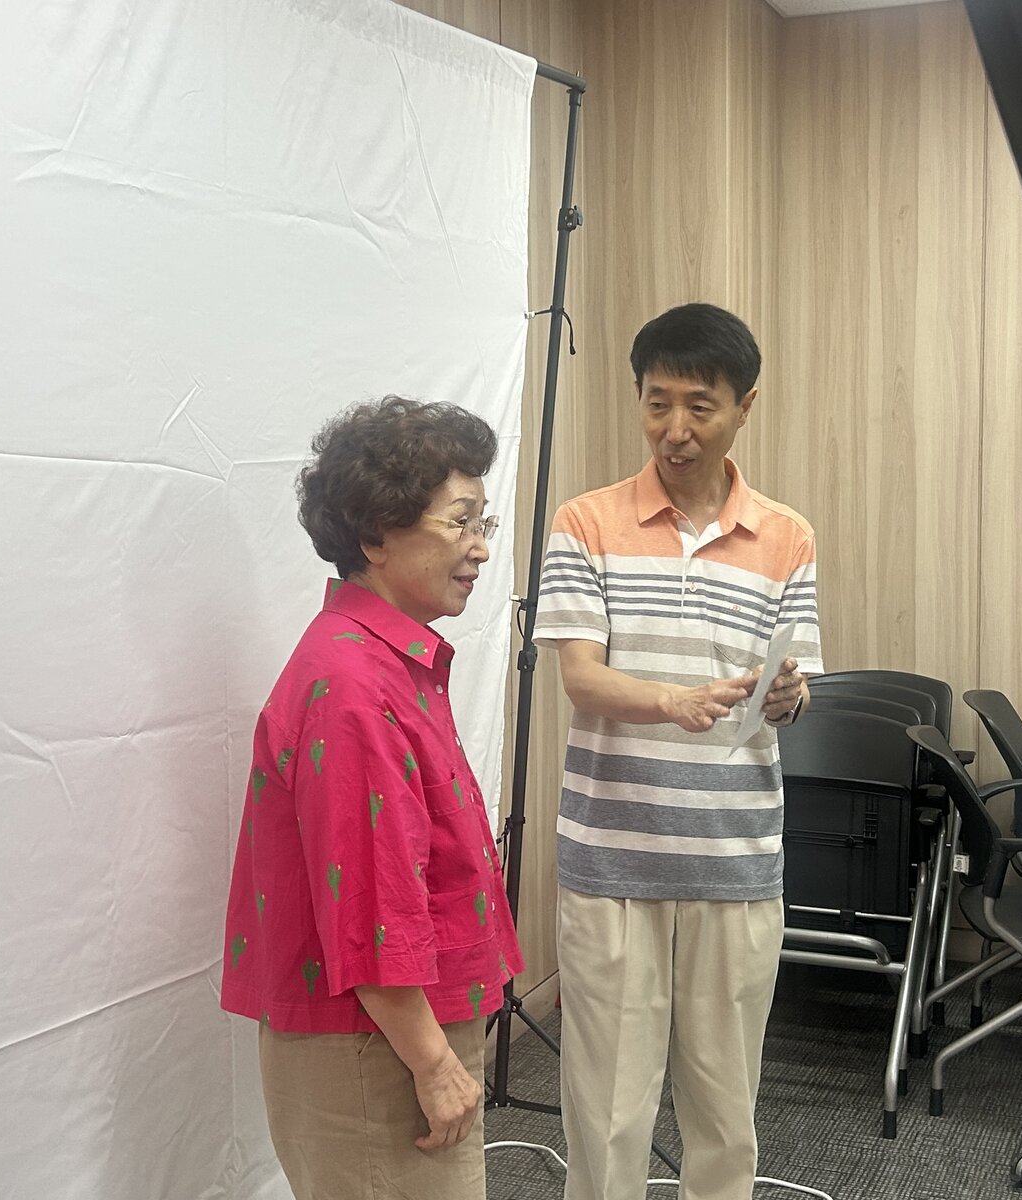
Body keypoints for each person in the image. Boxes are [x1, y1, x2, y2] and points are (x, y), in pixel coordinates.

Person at [532, 303, 824, 1200]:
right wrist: (675, 701)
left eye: (700, 406)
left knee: (726, 1112)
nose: (676, 429)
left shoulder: (787, 536)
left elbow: (794, 681)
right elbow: (581, 678)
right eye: (657, 403)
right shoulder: (586, 522)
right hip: (612, 861)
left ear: (745, 408)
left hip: (735, 860)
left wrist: (789, 695)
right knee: (608, 1112)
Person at [220, 395, 524, 1200]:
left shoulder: (378, 662)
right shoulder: (354, 683)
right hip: (376, 1047)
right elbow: (369, 903)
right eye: (460, 522)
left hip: (389, 1033)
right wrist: (434, 1062)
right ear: (376, 535)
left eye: (484, 523)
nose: (480, 547)